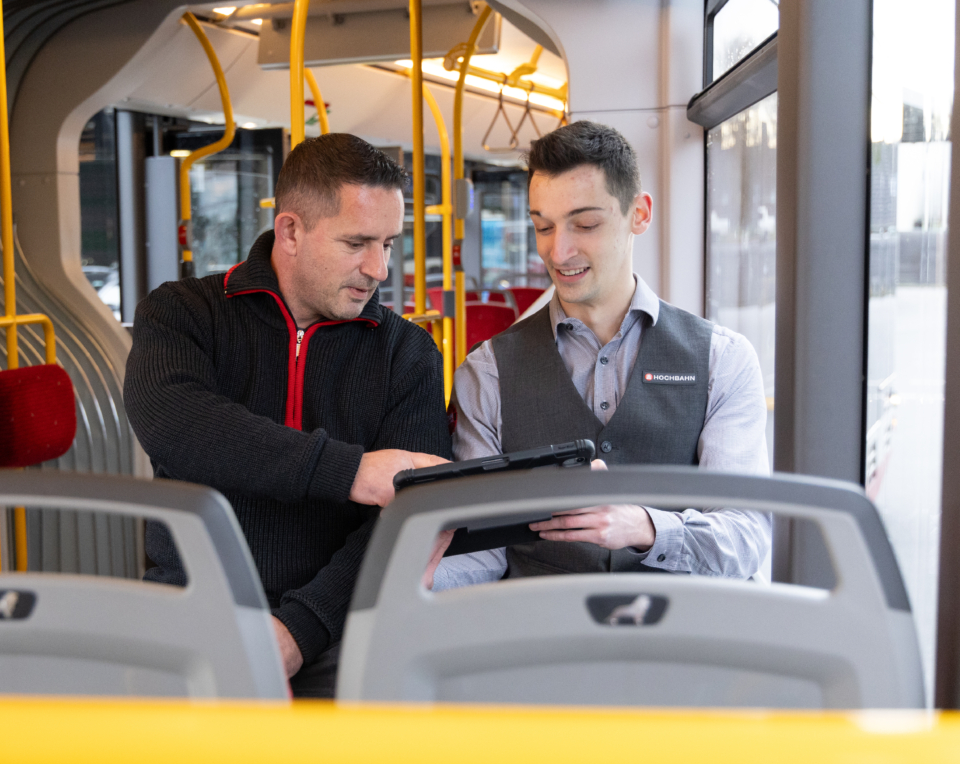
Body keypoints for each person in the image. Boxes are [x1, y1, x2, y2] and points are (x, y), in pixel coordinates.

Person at [124, 133, 452, 696]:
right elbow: (178, 425)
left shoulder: (408, 353)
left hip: (342, 631)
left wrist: (298, 631)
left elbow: (411, 520)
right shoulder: (183, 314)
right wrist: (349, 472)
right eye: (357, 242)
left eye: (389, 244)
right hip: (191, 613)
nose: (379, 268)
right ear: (292, 231)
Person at [434, 121, 770, 589]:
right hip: (538, 644)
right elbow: (485, 555)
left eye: (585, 224)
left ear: (640, 214)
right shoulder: (485, 373)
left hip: (683, 639)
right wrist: (416, 577)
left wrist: (646, 529)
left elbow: (746, 534)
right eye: (542, 226)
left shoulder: (723, 361)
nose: (558, 250)